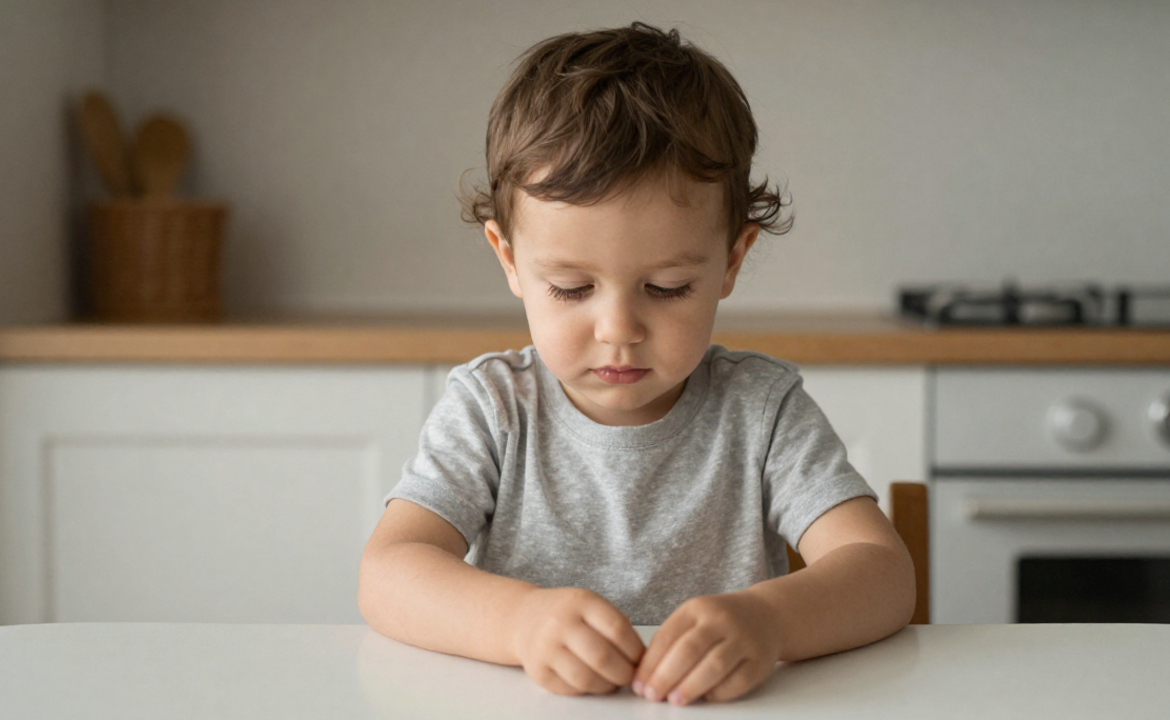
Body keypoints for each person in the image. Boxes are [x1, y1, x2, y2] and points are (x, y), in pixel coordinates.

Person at [358, 22, 915, 706]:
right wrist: (519, 622)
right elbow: (389, 572)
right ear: (509, 259)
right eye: (571, 288)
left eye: (667, 288)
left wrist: (770, 622)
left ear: (732, 261)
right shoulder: (492, 407)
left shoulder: (761, 409)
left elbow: (882, 573)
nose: (619, 329)